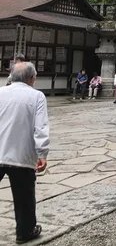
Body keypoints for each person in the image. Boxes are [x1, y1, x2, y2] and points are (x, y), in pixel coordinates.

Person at [0, 62, 49, 244]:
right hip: (22, 154)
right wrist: (42, 153)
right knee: (24, 197)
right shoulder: (36, 96)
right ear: (32, 78)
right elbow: (41, 127)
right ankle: (25, 232)